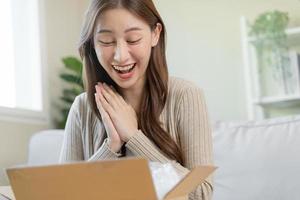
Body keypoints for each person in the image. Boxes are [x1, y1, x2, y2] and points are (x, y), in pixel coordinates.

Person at [59, 0, 213, 199]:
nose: (121, 56)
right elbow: (63, 194)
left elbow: (201, 194)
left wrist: (134, 138)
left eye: (132, 39)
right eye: (106, 41)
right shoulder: (82, 107)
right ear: (92, 43)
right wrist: (111, 146)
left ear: (155, 34)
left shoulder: (186, 96)